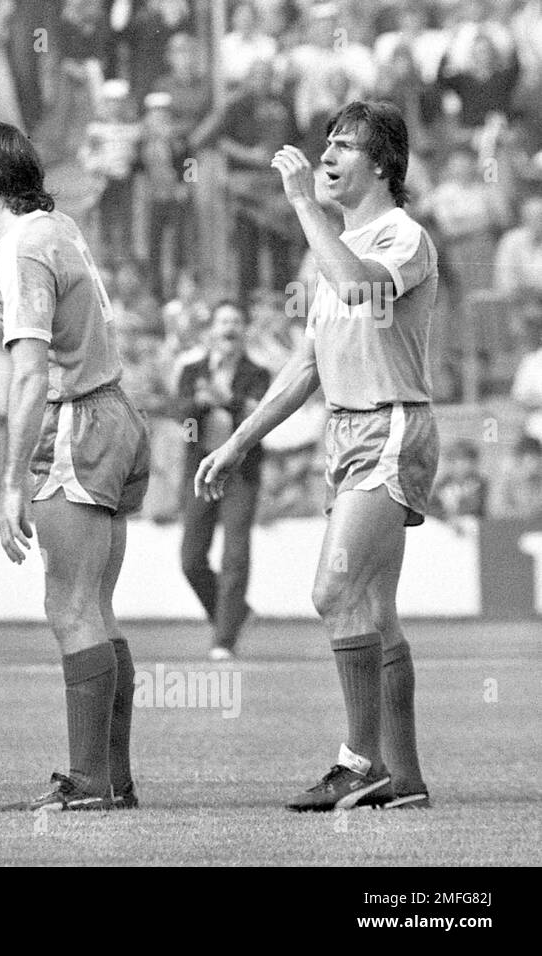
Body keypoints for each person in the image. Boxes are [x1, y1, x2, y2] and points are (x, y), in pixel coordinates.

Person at [196, 101, 440, 812]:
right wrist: (239, 442)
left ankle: (359, 763)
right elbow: (306, 367)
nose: (327, 154)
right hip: (348, 432)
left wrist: (303, 202)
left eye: (344, 145)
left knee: (332, 592)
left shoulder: (403, 235)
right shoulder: (331, 246)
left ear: (383, 164)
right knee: (375, 611)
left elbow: (359, 286)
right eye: (326, 142)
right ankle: (405, 778)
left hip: (389, 426)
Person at [0, 118, 151, 811]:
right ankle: (110, 779)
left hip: (75, 425)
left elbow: (30, 376)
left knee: (68, 605)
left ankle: (89, 783)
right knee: (96, 604)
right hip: (116, 411)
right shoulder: (51, 228)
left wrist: (9, 484)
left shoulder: (22, 251)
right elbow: (6, 277)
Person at [174, 301, 271, 660]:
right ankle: (234, 615)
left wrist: (225, 399)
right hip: (201, 470)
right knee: (191, 559)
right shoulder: (191, 371)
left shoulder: (257, 374)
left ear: (243, 330)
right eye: (222, 321)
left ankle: (224, 638)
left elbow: (260, 419)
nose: (229, 328)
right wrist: (197, 405)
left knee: (235, 555)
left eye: (235, 321)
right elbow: (183, 425)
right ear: (212, 331)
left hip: (240, 473)